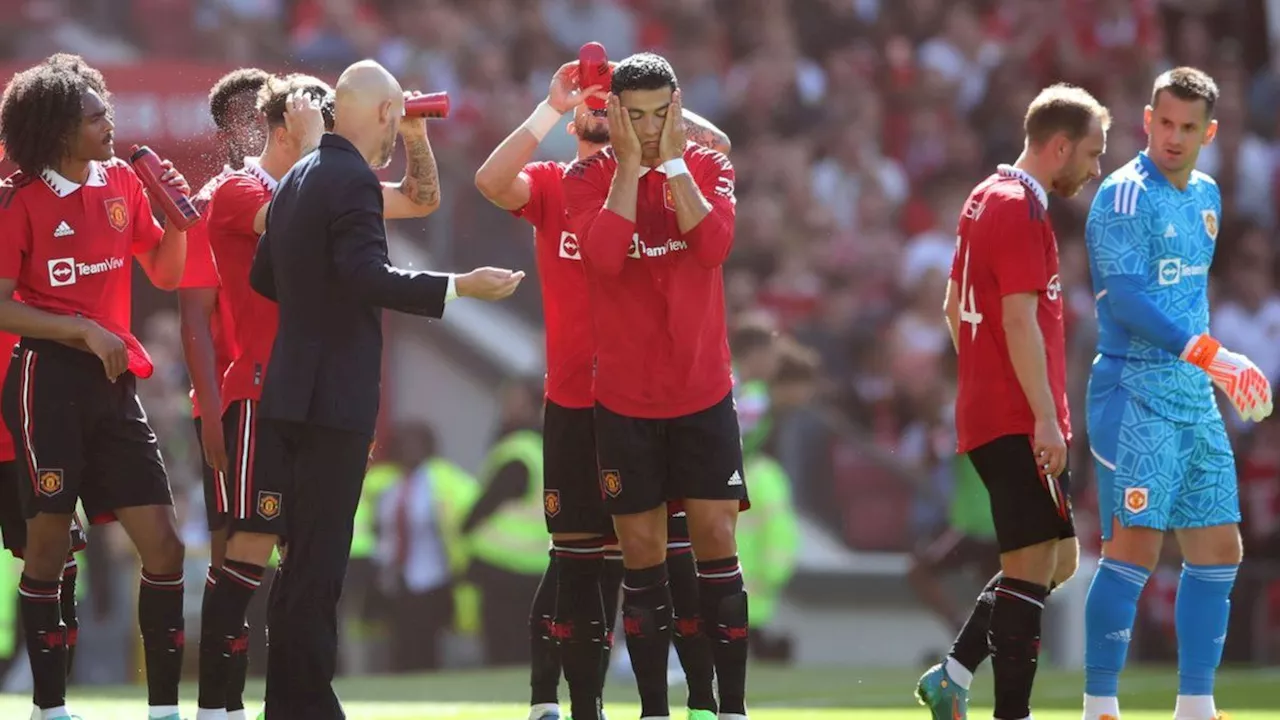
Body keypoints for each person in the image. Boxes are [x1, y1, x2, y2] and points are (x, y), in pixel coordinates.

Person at [246, 59, 523, 719]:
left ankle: (289, 701)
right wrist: (460, 285)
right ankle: (308, 703)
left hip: (290, 391)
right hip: (332, 399)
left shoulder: (298, 177)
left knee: (299, 562)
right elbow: (369, 275)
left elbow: (264, 276)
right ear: (382, 115)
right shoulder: (350, 179)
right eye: (396, 116)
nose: (398, 127)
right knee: (318, 567)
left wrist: (315, 306)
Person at [474, 55, 730, 720]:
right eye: (601, 114)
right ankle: (554, 701)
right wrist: (554, 104)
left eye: (607, 110)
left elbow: (718, 148)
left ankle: (701, 701)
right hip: (575, 399)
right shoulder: (561, 184)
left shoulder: (655, 174)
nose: (602, 120)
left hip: (647, 396)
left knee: (670, 563)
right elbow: (491, 180)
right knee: (575, 561)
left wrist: (647, 112)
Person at [195, 69, 446, 720]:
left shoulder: (323, 180)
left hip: (310, 392)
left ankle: (290, 702)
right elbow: (292, 223)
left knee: (302, 560)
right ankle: (216, 707)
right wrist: (320, 150)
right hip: (258, 389)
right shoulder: (235, 190)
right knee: (249, 545)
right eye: (318, 116)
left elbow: (419, 200)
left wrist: (413, 137)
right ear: (285, 129)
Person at [0, 54, 191, 720]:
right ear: (56, 130)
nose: (108, 122)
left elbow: (166, 273)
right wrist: (80, 328)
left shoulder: (121, 182)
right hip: (45, 382)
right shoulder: (18, 199)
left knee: (166, 546)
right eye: (93, 115)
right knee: (48, 545)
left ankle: (164, 709)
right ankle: (49, 708)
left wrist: (177, 219)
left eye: (105, 108)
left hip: (114, 386)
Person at [1080, 67, 1273, 720]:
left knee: (1219, 549)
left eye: (1188, 127)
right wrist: (1215, 356)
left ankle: (1195, 704)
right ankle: (1099, 704)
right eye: (1164, 122)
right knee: (1135, 548)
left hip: (1194, 396)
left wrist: (1218, 372)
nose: (1173, 136)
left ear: (1208, 132)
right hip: (1134, 391)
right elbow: (1129, 300)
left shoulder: (1210, 198)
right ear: (1146, 120)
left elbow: (1188, 300)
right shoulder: (1123, 195)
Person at [917, 83, 1111, 720]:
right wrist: (1044, 416)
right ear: (1058, 147)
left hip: (991, 409)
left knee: (1058, 560)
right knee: (1031, 571)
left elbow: (954, 306)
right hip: (1019, 417)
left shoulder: (982, 198)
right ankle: (1011, 713)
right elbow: (1021, 322)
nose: (1095, 167)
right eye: (1092, 152)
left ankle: (951, 674)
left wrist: (983, 373)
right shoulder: (1022, 212)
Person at [563, 52, 747, 720]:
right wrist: (633, 167)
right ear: (612, 114)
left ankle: (728, 708)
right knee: (640, 556)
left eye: (657, 113)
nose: (645, 127)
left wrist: (670, 164)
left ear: (677, 107)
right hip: (625, 401)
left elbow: (715, 244)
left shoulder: (708, 165)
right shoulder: (584, 180)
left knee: (716, 545)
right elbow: (606, 259)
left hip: (701, 393)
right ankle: (654, 711)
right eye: (632, 115)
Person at [179, 66, 270, 720]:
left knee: (270, 553)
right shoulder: (222, 195)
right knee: (232, 551)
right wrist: (210, 411)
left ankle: (248, 700)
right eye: (247, 114)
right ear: (227, 129)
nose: (262, 122)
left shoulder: (285, 186)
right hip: (236, 398)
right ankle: (222, 703)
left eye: (269, 110)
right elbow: (192, 316)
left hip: (282, 393)